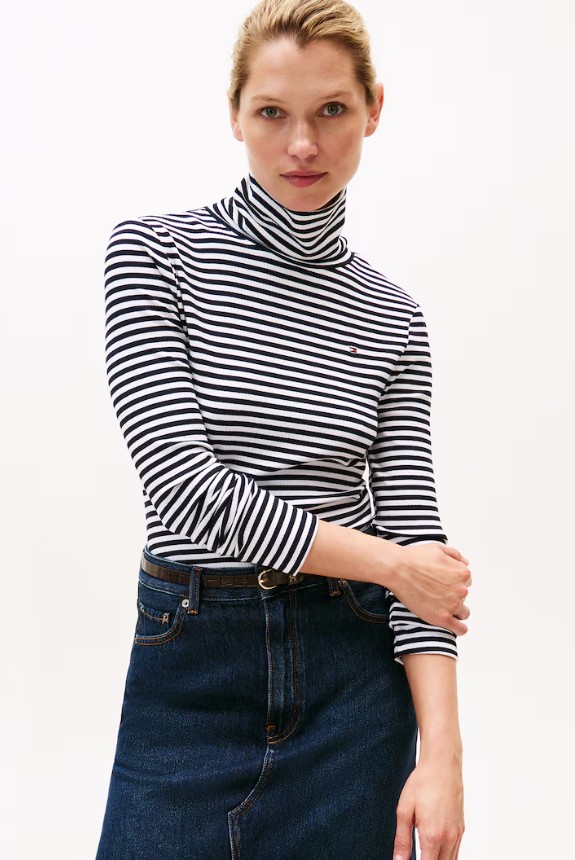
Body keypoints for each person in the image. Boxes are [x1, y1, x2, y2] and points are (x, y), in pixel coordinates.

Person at [95, 1, 472, 858]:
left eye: (331, 109)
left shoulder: (393, 315)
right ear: (234, 114)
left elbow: (414, 528)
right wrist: (391, 565)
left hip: (352, 682)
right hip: (192, 666)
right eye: (272, 112)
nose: (302, 144)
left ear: (374, 108)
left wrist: (443, 754)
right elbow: (185, 492)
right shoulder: (152, 256)